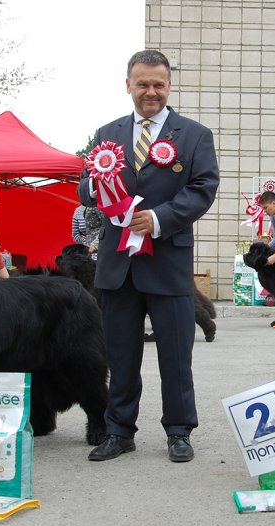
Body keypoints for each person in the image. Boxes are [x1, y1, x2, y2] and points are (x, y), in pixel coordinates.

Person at [79, 50, 219, 463]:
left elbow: (203, 188)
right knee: (120, 355)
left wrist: (158, 219)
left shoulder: (194, 135)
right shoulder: (107, 133)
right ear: (128, 85)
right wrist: (94, 191)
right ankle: (119, 430)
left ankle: (179, 431)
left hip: (168, 259)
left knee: (177, 356)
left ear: (169, 86)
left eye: (158, 84)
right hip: (117, 265)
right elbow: (85, 185)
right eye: (142, 83)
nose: (150, 91)